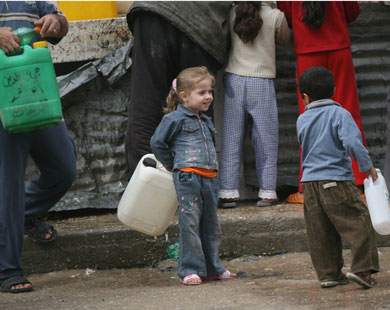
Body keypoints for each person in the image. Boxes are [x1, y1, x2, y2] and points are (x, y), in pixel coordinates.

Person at [0, 2, 76, 293]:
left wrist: (56, 21)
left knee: (63, 168)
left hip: (35, 90)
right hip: (3, 99)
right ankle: (8, 270)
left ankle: (23, 215)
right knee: (8, 185)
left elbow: (61, 23)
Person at [125, 1, 232, 178]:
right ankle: (195, 185)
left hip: (158, 9)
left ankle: (144, 184)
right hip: (202, 18)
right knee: (197, 105)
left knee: (147, 103)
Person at [150, 67, 236, 285]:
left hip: (209, 178)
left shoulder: (205, 120)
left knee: (211, 225)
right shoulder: (175, 119)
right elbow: (157, 143)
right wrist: (173, 166)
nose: (208, 96)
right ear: (185, 96)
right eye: (202, 92)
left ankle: (213, 267)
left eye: (210, 91)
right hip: (188, 178)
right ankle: (190, 269)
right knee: (190, 223)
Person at [297, 66, 379, 289]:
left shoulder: (302, 119)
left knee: (320, 229)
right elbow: (352, 143)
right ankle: (363, 270)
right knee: (359, 221)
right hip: (336, 181)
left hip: (309, 184)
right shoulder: (341, 114)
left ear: (305, 96)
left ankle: (329, 274)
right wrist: (367, 166)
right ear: (333, 90)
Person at [277, 1, 366, 204]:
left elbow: (288, 17)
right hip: (339, 48)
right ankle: (358, 182)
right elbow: (352, 12)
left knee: (309, 119)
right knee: (349, 112)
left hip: (307, 51)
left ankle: (307, 188)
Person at [218, 1, 290, 208]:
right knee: (266, 138)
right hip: (262, 80)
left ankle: (228, 192)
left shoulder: (232, 11)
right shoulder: (276, 16)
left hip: (234, 80)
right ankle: (267, 192)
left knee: (232, 136)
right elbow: (285, 40)